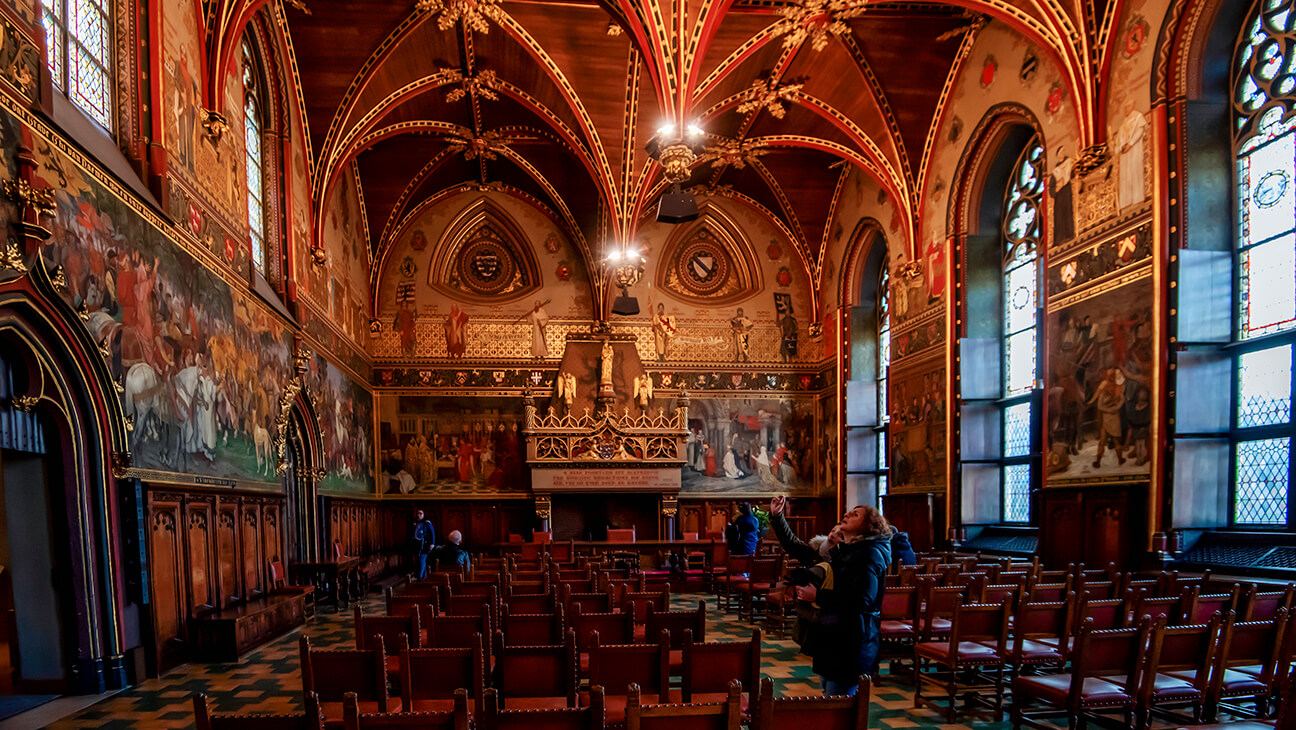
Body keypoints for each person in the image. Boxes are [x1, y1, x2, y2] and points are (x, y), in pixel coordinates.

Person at [769, 495, 892, 696]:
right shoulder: (849, 551)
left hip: (851, 641)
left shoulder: (868, 553)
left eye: (855, 514)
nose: (846, 515)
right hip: (836, 637)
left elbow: (862, 600)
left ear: (868, 526)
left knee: (838, 702)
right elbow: (793, 545)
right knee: (830, 695)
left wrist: (818, 596)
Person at [411, 509, 436, 579]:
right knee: (418, 560)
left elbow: (432, 534)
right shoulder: (415, 522)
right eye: (418, 513)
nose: (419, 515)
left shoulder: (427, 523)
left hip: (424, 545)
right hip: (416, 545)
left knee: (422, 559)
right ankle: (423, 576)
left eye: (420, 513)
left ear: (424, 514)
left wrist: (432, 543)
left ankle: (420, 576)